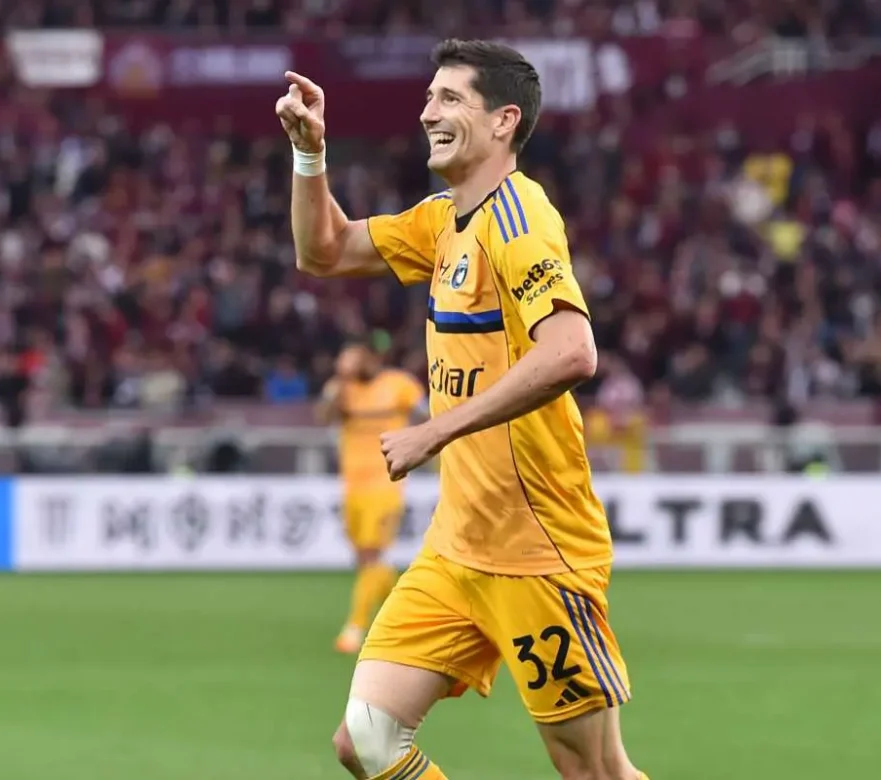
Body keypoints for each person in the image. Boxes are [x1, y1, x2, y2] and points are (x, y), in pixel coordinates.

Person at [278, 38, 649, 780]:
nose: (427, 112)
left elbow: (573, 352)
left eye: (450, 98)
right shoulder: (444, 220)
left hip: (537, 551)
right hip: (456, 549)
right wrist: (310, 154)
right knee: (366, 741)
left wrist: (436, 430)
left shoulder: (520, 221)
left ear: (504, 121)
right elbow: (325, 251)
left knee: (595, 772)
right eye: (429, 97)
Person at [318, 341, 427, 654]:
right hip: (352, 486)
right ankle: (406, 616)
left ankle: (354, 628)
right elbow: (324, 418)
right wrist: (337, 387)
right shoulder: (341, 390)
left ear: (369, 359)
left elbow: (428, 415)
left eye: (353, 360)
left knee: (372, 554)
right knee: (366, 560)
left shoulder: (400, 386)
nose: (348, 366)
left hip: (387, 483)